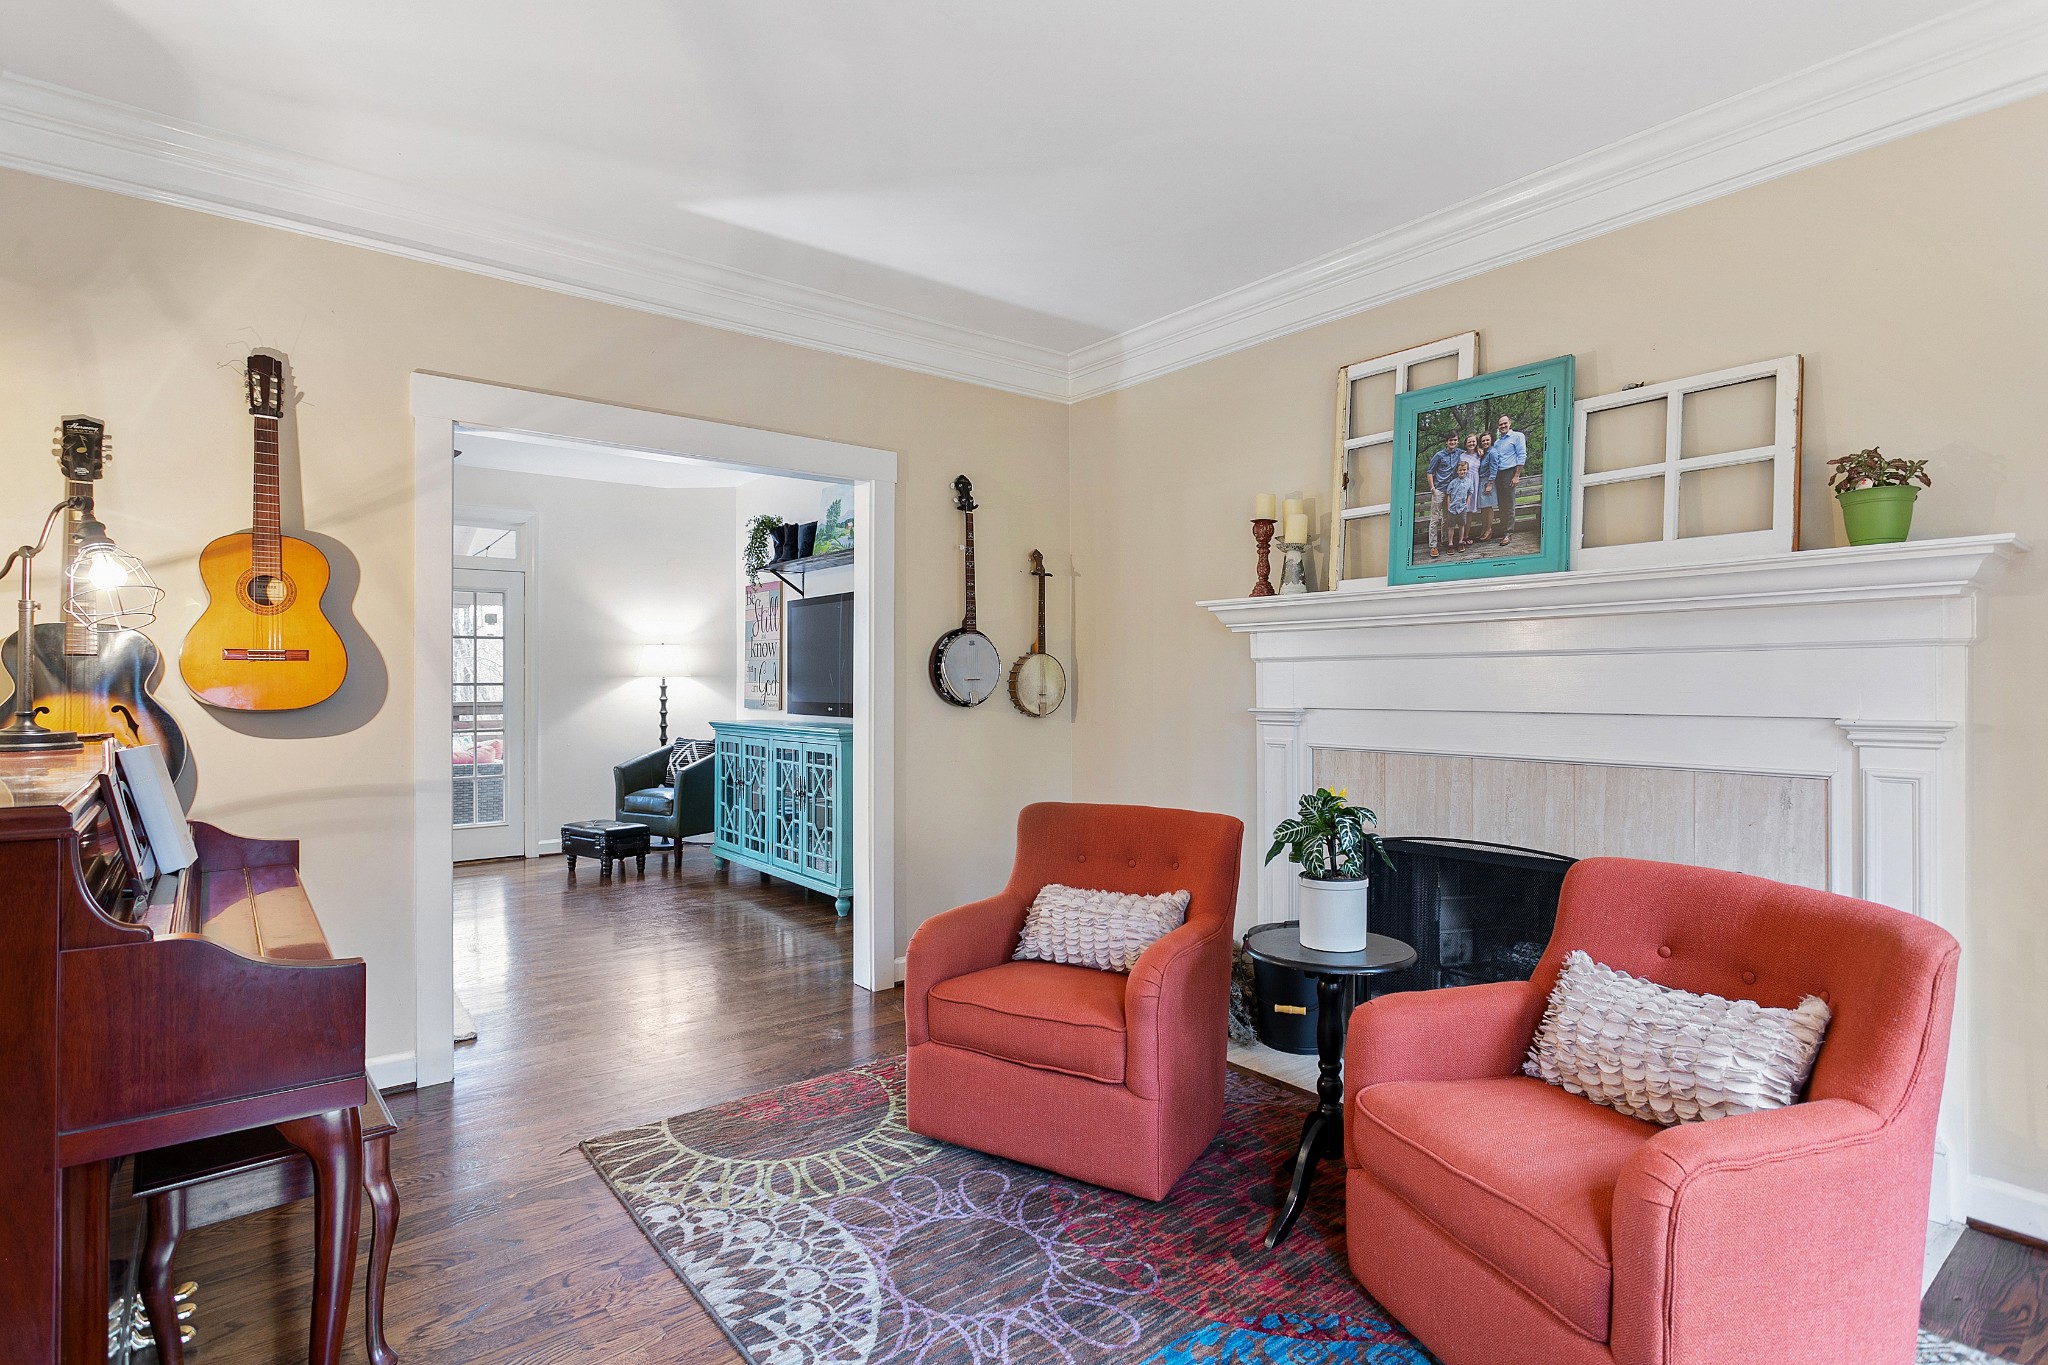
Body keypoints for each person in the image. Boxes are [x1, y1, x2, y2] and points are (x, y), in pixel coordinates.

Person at [1490, 413, 1529, 546]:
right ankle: (1502, 531)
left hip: (1510, 472)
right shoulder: (1497, 442)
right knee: (1501, 504)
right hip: (1498, 474)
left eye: (1505, 423)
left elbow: (1521, 455)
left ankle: (1508, 533)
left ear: (1509, 423)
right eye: (1500, 424)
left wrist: (1516, 475)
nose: (1503, 426)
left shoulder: (1517, 436)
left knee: (1509, 504)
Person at [1425, 431, 1462, 560]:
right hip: (1439, 490)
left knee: (1447, 518)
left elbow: (1471, 453)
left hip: (1451, 491)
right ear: (1446, 442)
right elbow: (1430, 472)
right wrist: (1432, 488)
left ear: (1457, 441)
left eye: (1455, 440)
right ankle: (1433, 546)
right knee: (1435, 519)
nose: (1452, 442)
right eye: (1450, 440)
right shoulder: (1439, 455)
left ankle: (1445, 540)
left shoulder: (1460, 453)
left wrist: (1479, 449)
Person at [1445, 451, 1477, 550]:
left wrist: (1466, 504)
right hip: (1452, 508)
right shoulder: (1453, 482)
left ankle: (1460, 542)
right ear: (1457, 471)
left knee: (1462, 525)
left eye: (1464, 470)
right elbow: (1448, 494)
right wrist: (1449, 506)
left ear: (1467, 470)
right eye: (1460, 470)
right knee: (1451, 526)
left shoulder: (1469, 482)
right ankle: (1450, 543)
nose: (1462, 472)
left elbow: (1469, 494)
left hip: (1462, 507)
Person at [1476, 431, 1500, 542]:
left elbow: (1494, 468)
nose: (1485, 442)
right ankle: (1484, 529)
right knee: (1483, 509)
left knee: (1488, 508)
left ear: (1491, 440)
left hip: (1487, 482)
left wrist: (1490, 484)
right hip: (1481, 482)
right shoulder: (1483, 453)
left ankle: (1489, 530)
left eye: (1487, 440)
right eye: (1483, 440)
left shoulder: (1493, 452)